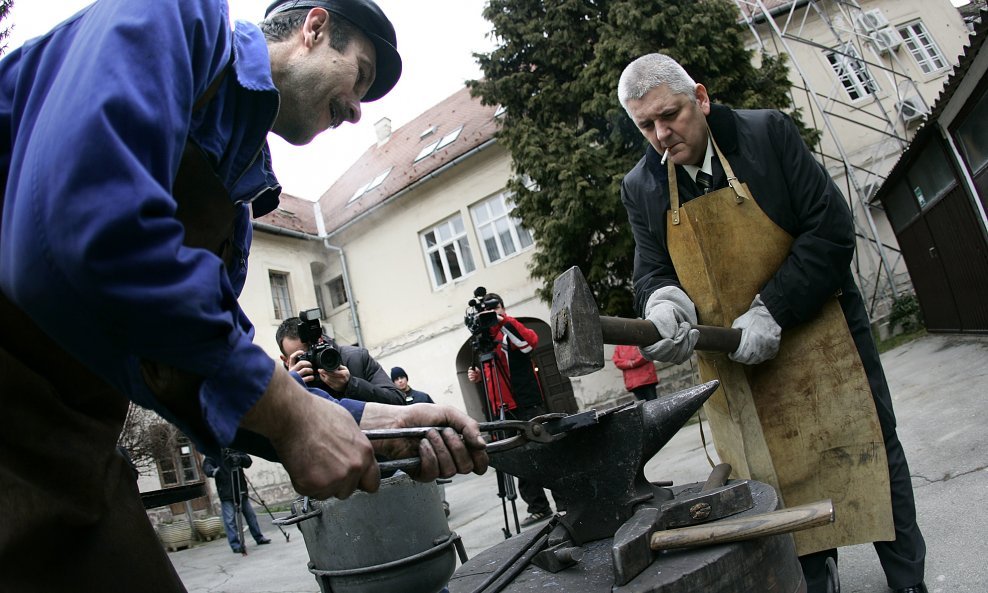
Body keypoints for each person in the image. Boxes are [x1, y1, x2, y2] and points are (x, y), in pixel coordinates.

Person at [0, 2, 487, 590]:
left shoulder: (238, 201)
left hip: (64, 441)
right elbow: (78, 227)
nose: (358, 112)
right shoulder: (174, 19)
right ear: (315, 27)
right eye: (358, 75)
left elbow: (197, 368)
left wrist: (380, 422)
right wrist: (291, 409)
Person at [616, 53, 926, 593]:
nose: (662, 134)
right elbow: (652, 270)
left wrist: (771, 310)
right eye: (647, 125)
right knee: (773, 474)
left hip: (822, 333)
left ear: (702, 99)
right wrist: (661, 302)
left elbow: (829, 231)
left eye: (672, 115)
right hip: (737, 367)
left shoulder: (766, 134)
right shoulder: (642, 186)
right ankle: (814, 575)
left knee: (869, 448)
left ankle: (908, 582)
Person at [466, 293, 563, 527]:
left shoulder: (508, 327)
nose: (491, 313)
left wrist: (502, 320)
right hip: (502, 407)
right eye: (487, 311)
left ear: (502, 307)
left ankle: (564, 501)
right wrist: (478, 376)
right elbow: (493, 370)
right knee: (518, 458)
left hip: (525, 403)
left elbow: (529, 343)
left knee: (543, 452)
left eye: (495, 308)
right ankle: (538, 507)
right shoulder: (484, 339)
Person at [275, 317, 405, 405]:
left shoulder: (356, 358)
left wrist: (351, 385)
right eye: (302, 356)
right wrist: (291, 387)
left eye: (312, 349)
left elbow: (398, 401)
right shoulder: (281, 384)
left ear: (319, 339)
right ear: (286, 360)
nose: (313, 358)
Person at [202, 450, 272, 554]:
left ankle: (259, 537)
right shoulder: (214, 450)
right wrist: (213, 471)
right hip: (226, 492)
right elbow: (207, 465)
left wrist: (239, 459)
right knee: (230, 519)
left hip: (240, 489)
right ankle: (235, 545)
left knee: (251, 515)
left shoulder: (235, 448)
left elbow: (248, 461)